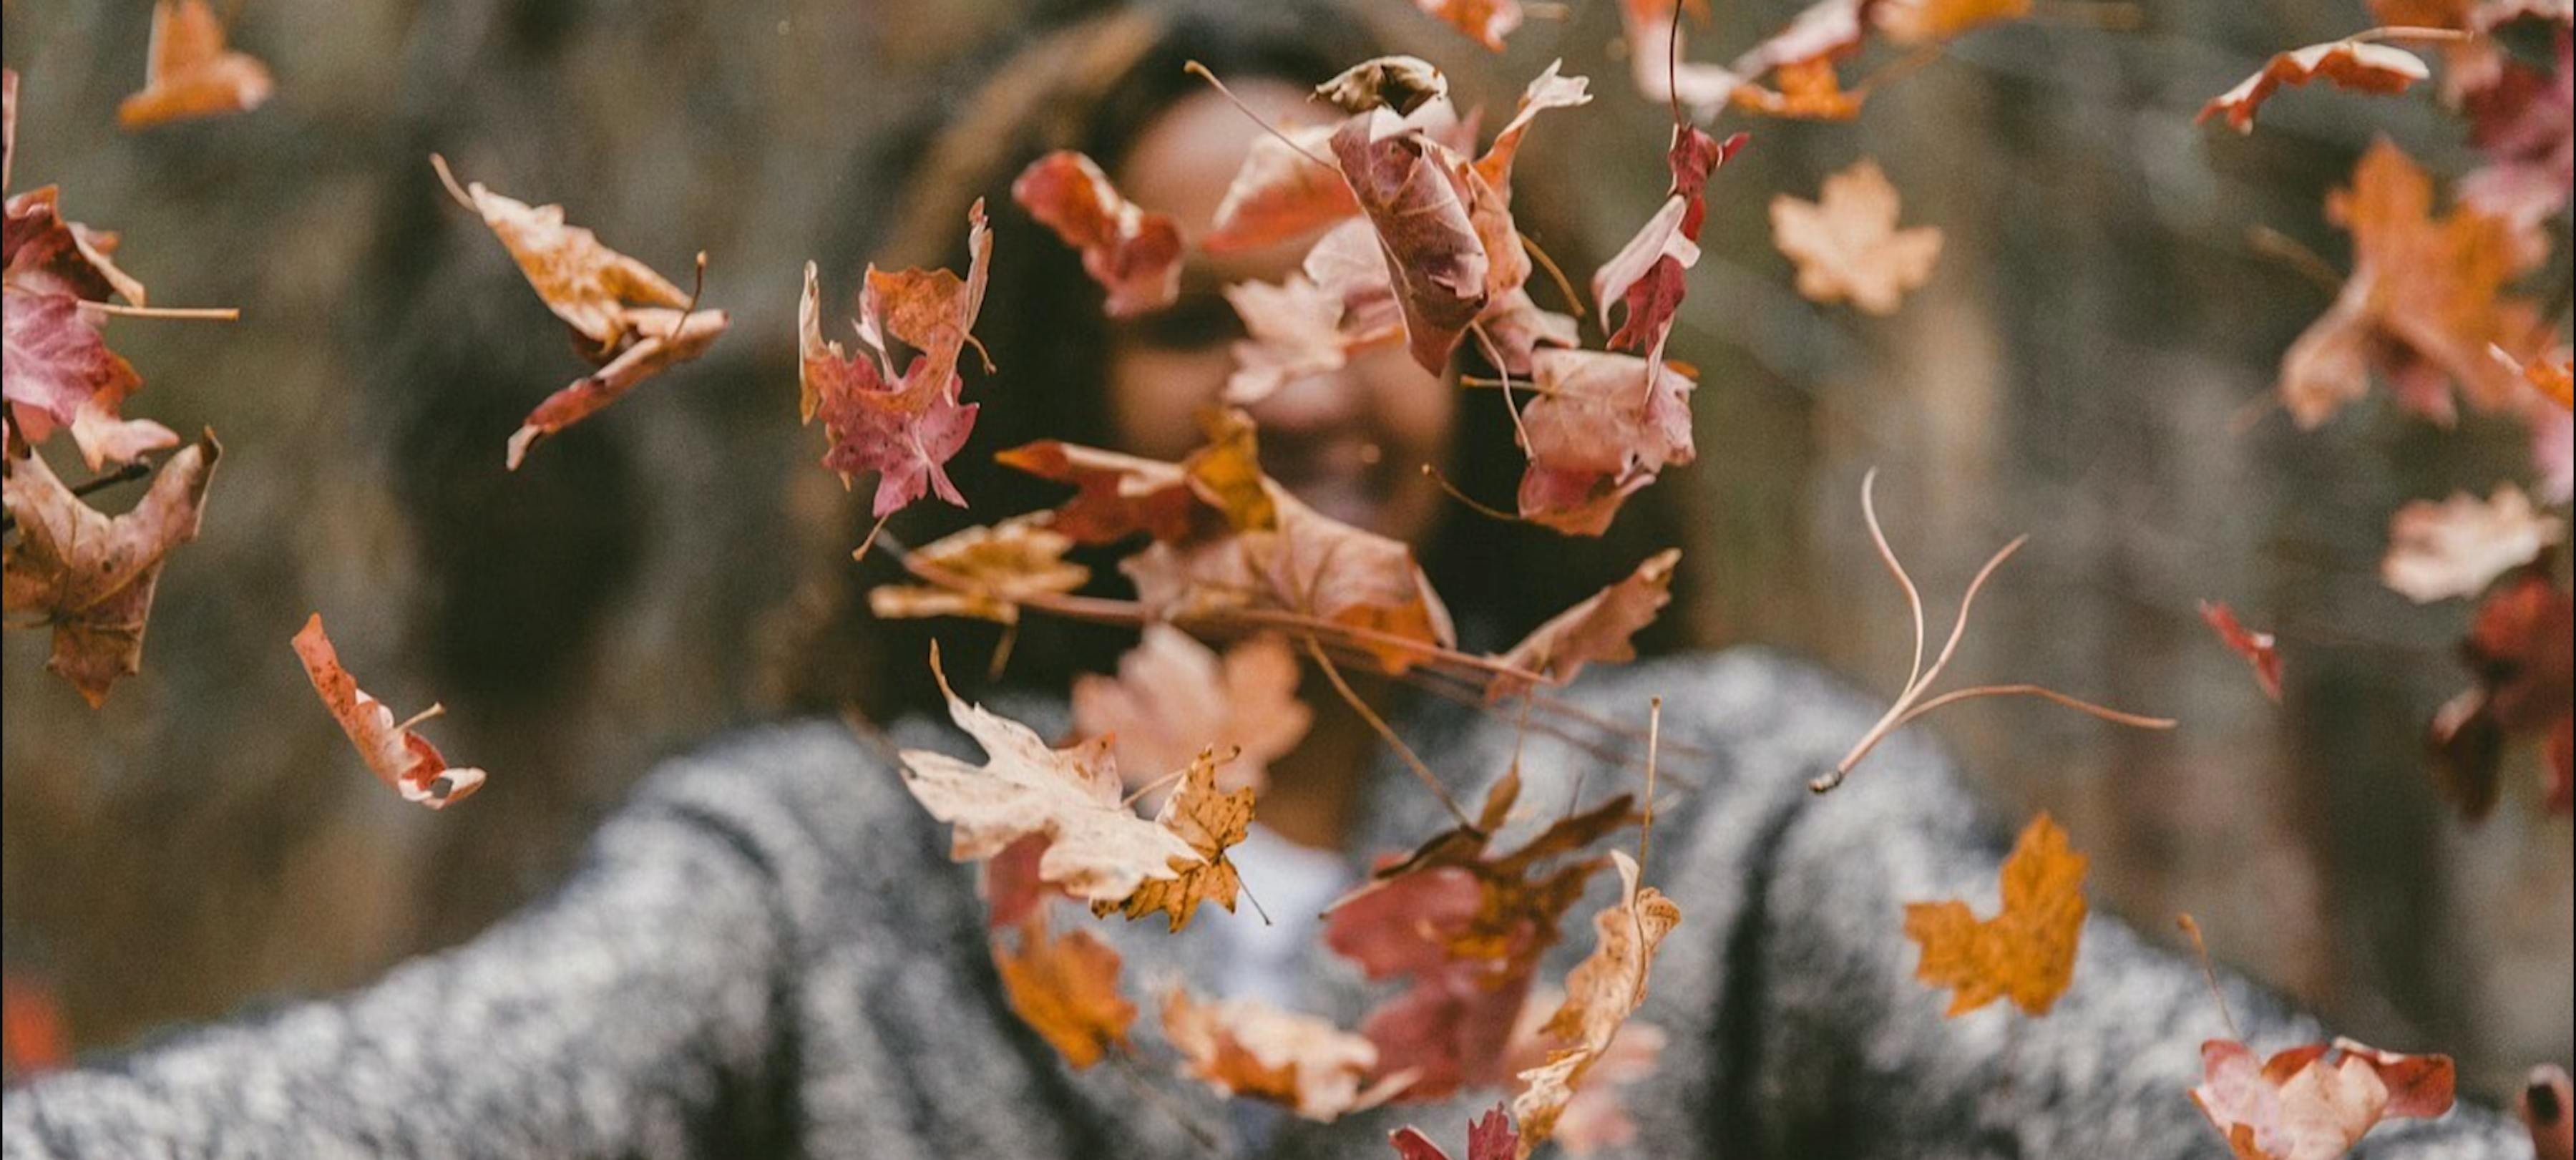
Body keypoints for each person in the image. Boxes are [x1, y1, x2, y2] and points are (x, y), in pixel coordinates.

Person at [0, 4, 2552, 1158]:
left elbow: (2121, 1095)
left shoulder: (1737, 821)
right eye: (1204, 310)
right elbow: (414, 1101)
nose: (1305, 374)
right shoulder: (825, 882)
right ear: (1024, 410)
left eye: (1373, 298)